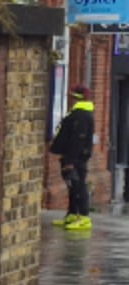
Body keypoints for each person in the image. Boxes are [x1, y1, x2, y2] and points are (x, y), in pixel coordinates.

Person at [51, 84, 97, 230]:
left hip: (76, 158)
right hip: (72, 156)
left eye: (72, 96)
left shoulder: (81, 115)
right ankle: (72, 214)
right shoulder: (78, 112)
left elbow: (78, 139)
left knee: (78, 185)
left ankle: (83, 217)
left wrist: (70, 160)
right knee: (72, 185)